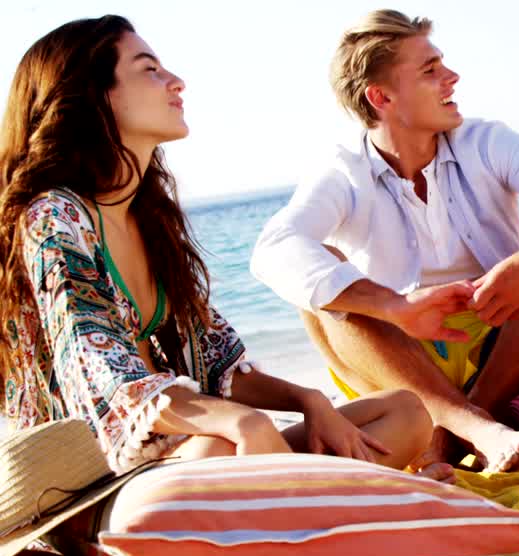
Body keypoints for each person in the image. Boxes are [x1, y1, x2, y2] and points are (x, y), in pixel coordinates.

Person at [0, 16, 455, 477]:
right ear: (93, 96)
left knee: (403, 412)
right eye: (149, 70)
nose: (176, 82)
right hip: (93, 479)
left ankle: (328, 501)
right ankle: (360, 498)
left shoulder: (148, 220)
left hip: (180, 460)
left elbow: (217, 365)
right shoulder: (55, 217)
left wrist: (308, 399)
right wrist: (238, 421)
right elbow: (105, 378)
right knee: (218, 447)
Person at [253, 11, 519, 473]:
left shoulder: (484, 140)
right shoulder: (343, 170)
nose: (452, 77)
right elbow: (274, 249)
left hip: (506, 343)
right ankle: (473, 425)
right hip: (398, 363)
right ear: (381, 97)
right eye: (430, 70)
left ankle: (457, 431)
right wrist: (394, 305)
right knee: (316, 281)